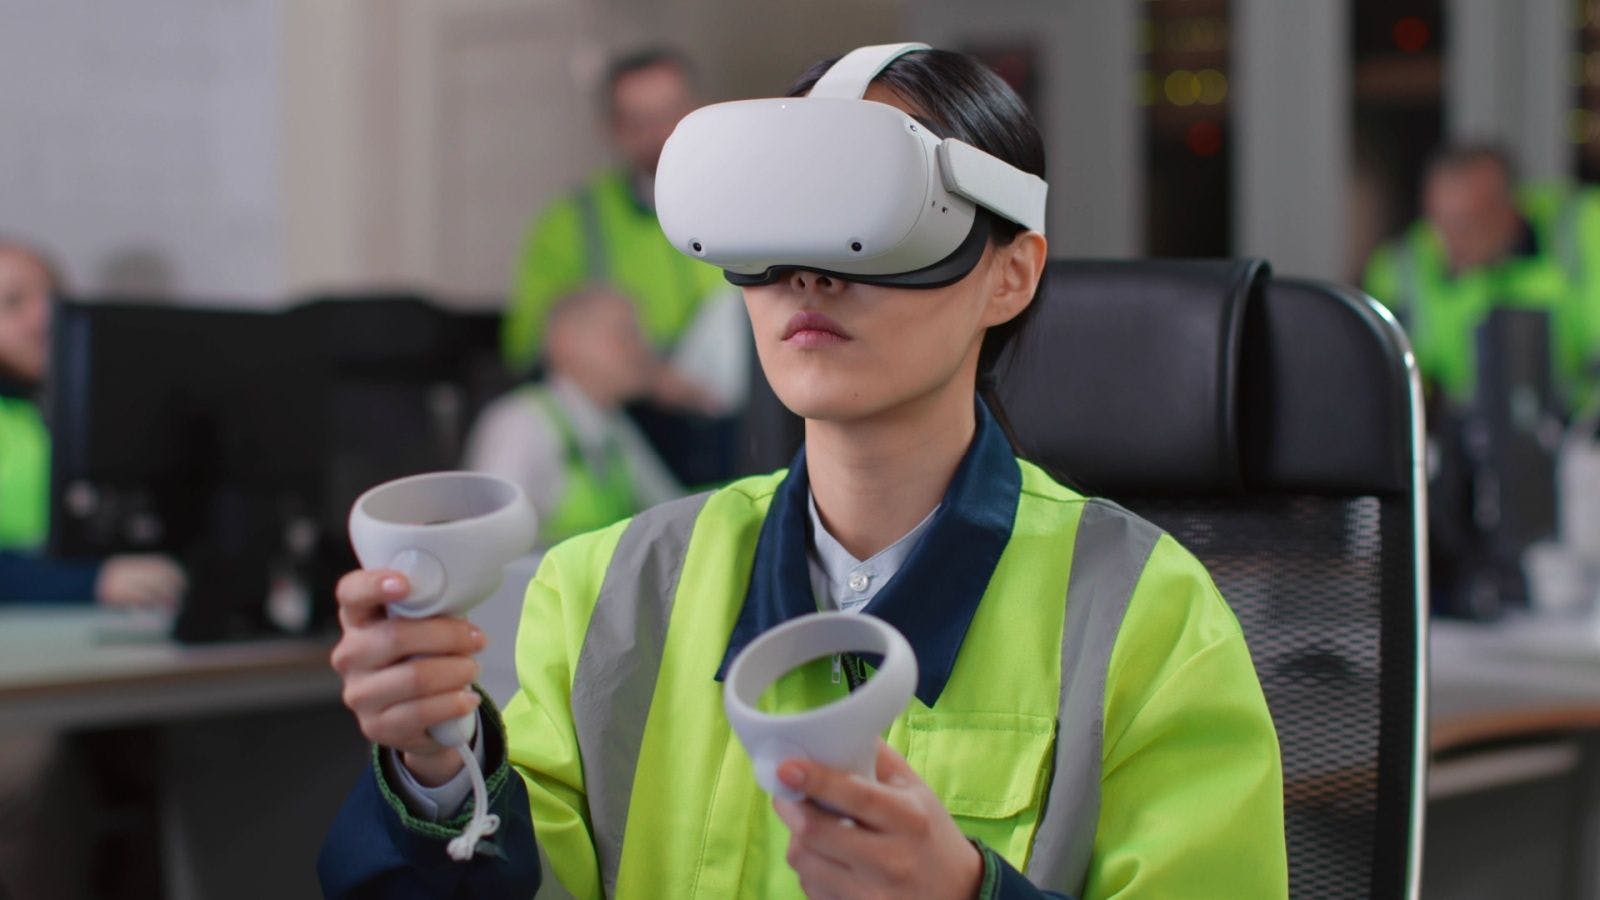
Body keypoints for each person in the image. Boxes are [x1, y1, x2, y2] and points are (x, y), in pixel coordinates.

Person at [319, 45, 1287, 899]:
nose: (808, 274)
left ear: (1011, 275)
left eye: (875, 217)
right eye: (782, 213)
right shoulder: (609, 596)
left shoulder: (1144, 618)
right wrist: (436, 768)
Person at [0, 240, 186, 607]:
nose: (43, 316)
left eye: (52, 297)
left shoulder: (106, 407)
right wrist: (88, 582)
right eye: (13, 303)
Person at [1364, 143, 1600, 415]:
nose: (1450, 241)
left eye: (1465, 224)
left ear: (1510, 208)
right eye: (1439, 222)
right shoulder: (1401, 272)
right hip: (1471, 438)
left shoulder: (1583, 230)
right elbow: (1390, 385)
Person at [464, 286, 683, 547]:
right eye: (626, 335)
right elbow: (489, 540)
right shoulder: (521, 422)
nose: (644, 350)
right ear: (566, 342)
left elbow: (672, 512)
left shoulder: (612, 424)